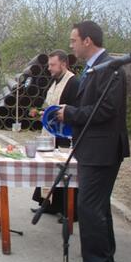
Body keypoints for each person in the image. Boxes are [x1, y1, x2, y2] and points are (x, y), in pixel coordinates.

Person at [56, 21, 128, 262]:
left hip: (103, 150)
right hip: (92, 148)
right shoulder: (94, 68)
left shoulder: (111, 68)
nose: (71, 45)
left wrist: (70, 113)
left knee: (90, 210)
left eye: (73, 40)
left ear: (87, 41)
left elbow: (105, 109)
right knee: (97, 210)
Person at [31, 49, 80, 216]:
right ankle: (49, 204)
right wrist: (44, 113)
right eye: (49, 65)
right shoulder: (55, 81)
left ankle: (68, 210)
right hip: (50, 133)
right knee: (48, 169)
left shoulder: (74, 83)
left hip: (64, 135)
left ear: (64, 64)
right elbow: (50, 104)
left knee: (64, 172)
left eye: (53, 65)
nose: (49, 68)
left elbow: (76, 109)